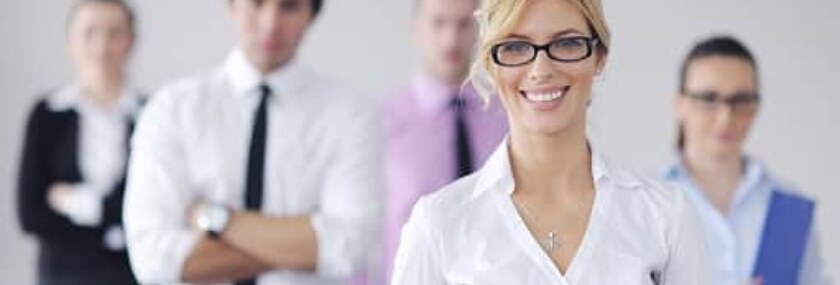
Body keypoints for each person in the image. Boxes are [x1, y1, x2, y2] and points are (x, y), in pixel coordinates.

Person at [390, 0, 711, 284]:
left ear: (599, 56)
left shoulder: (665, 217)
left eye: (567, 43)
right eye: (516, 47)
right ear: (491, 64)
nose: (541, 69)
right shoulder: (439, 224)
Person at [122, 0, 382, 284]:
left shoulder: (350, 114)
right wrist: (302, 245)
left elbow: (350, 247)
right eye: (256, 3)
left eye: (290, 7)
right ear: (231, 6)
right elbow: (154, 261)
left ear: (311, 16)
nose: (270, 23)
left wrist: (217, 218)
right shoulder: (172, 109)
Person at [663, 35, 831, 285]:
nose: (725, 117)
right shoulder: (645, 203)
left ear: (756, 108)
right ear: (680, 103)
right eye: (708, 99)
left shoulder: (789, 208)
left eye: (740, 101)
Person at [379, 0, 507, 283]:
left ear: (479, 30)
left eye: (463, 24)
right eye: (438, 23)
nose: (451, 39)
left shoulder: (509, 118)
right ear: (416, 30)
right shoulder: (381, 123)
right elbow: (367, 234)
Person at [16, 0, 142, 284]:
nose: (102, 46)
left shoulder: (151, 115)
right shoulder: (48, 114)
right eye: (90, 33)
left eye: (114, 33)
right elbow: (30, 214)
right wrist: (114, 217)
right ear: (71, 41)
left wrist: (80, 203)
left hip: (132, 273)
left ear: (131, 42)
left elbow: (152, 206)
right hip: (63, 274)